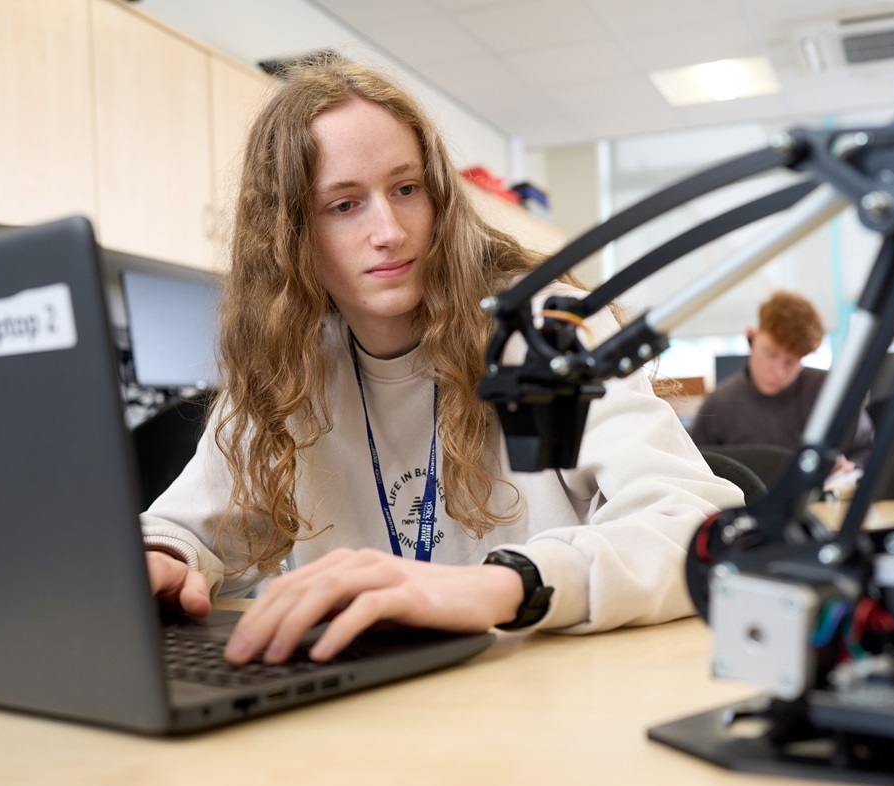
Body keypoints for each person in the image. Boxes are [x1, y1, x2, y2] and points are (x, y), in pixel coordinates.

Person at [142, 56, 745, 667]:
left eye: (406, 189)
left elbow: (698, 529)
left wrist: (499, 586)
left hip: (546, 697)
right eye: (345, 204)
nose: (391, 231)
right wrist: (165, 559)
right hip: (366, 711)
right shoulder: (288, 362)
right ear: (289, 233)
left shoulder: (543, 331)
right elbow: (186, 529)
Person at [689, 290, 875, 470]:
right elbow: (694, 470)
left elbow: (866, 448)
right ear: (751, 338)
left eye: (791, 362)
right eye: (771, 354)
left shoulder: (829, 390)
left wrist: (851, 468)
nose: (779, 372)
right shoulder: (718, 405)